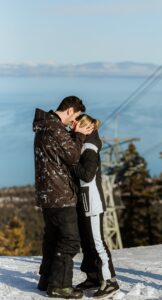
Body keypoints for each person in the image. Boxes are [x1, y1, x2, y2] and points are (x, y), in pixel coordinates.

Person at [33, 96, 94, 299]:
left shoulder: (44, 126)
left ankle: (47, 279)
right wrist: (78, 136)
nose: (72, 122)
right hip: (60, 194)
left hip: (47, 194)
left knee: (53, 237)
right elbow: (73, 157)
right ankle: (60, 286)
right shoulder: (55, 129)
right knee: (70, 240)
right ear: (69, 110)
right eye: (74, 116)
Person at [72, 114, 120, 299]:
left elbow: (87, 175)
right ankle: (93, 278)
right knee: (87, 242)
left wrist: (73, 163)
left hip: (92, 201)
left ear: (85, 126)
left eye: (76, 122)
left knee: (97, 242)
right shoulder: (84, 143)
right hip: (84, 201)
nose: (72, 124)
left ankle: (110, 282)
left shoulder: (90, 147)